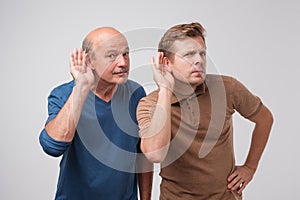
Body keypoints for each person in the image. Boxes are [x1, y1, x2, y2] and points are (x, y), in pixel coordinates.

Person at [136, 22, 273, 200]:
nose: (199, 60)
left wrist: (250, 167)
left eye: (202, 53)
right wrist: (165, 91)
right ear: (166, 62)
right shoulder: (150, 104)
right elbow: (155, 154)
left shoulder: (227, 88)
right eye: (189, 54)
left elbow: (265, 119)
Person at [39, 27, 152, 200]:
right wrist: (81, 88)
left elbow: (142, 155)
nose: (123, 62)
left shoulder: (136, 93)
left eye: (126, 54)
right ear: (89, 61)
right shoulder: (63, 94)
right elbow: (52, 147)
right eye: (111, 56)